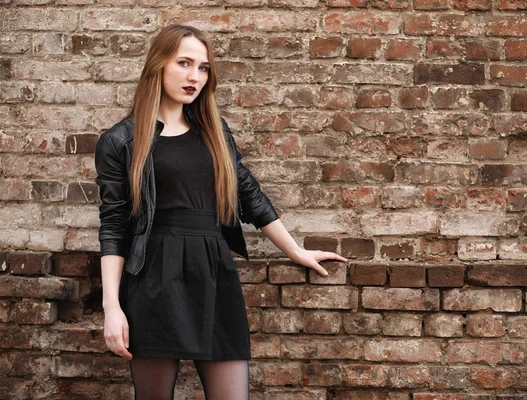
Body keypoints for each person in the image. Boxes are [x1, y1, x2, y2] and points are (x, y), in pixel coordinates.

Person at [94, 24, 346, 400]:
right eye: (184, 63)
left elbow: (249, 195)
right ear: (158, 65)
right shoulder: (120, 140)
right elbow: (113, 225)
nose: (194, 76)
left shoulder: (213, 130)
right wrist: (112, 307)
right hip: (154, 280)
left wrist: (296, 251)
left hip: (214, 272)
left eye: (204, 67)